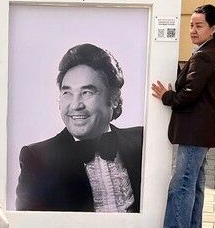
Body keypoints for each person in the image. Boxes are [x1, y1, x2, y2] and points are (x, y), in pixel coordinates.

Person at [16, 43, 143, 212]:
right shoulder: (36, 158)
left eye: (87, 92)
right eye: (67, 93)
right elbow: (28, 223)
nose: (75, 105)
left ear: (113, 99)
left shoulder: (143, 140)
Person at [151, 4, 215, 228]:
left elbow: (190, 93)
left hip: (194, 131)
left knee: (182, 182)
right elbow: (193, 84)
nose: (193, 30)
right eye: (191, 25)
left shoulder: (204, 55)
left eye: (199, 25)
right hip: (200, 130)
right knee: (195, 182)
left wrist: (167, 96)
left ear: (213, 28)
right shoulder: (207, 52)